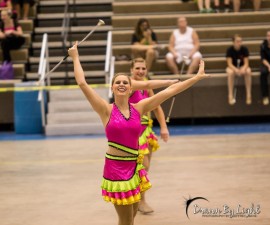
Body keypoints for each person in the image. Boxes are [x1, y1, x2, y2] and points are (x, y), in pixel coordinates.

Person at [68, 41, 209, 225]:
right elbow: (82, 83)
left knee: (132, 215)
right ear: (112, 88)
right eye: (117, 82)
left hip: (135, 167)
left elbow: (170, 91)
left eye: (125, 82)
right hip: (116, 170)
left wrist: (195, 78)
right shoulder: (105, 109)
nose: (121, 84)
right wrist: (75, 57)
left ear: (131, 87)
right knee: (126, 221)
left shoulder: (139, 108)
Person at [129, 58, 169, 214]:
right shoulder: (129, 84)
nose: (140, 71)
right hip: (133, 132)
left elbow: (157, 107)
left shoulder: (146, 87)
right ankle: (140, 201)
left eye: (143, 68)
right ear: (131, 69)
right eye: (137, 68)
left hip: (146, 131)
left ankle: (138, 199)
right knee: (142, 167)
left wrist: (164, 127)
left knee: (145, 169)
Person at [226, 34, 252, 105]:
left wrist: (243, 69)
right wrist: (236, 70)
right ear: (233, 42)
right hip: (232, 67)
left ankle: (248, 95)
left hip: (242, 67)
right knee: (230, 73)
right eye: (237, 41)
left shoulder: (244, 49)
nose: (239, 43)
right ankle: (230, 95)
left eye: (240, 41)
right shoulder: (230, 50)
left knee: (248, 71)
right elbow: (229, 63)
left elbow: (246, 63)